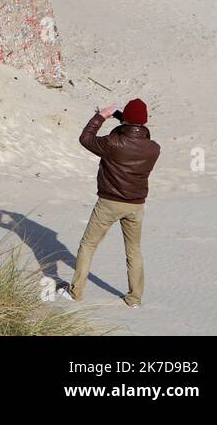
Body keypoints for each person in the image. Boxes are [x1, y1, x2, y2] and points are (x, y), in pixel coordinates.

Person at [63, 99, 160, 308]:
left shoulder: (112, 143)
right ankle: (134, 299)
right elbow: (140, 134)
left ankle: (75, 293)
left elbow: (85, 139)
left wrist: (101, 116)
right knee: (134, 250)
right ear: (145, 121)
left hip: (109, 203)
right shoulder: (153, 149)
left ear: (126, 120)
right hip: (136, 206)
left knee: (88, 245)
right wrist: (120, 116)